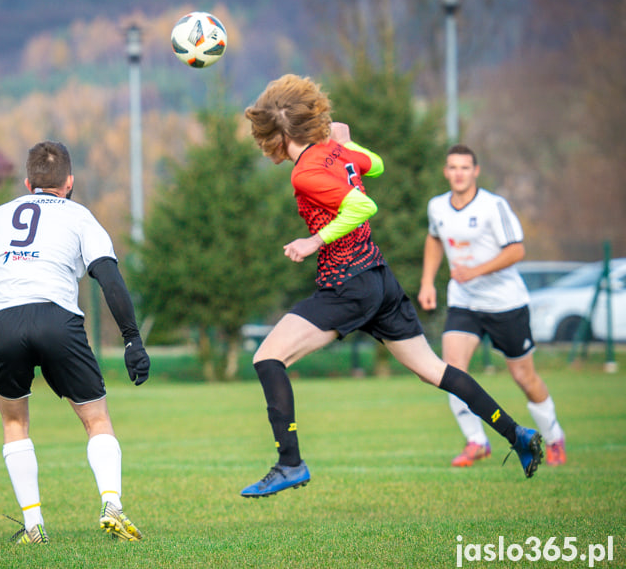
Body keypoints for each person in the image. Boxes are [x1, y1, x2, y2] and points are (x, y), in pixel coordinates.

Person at [239, 74, 544, 499]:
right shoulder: (333, 151)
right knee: (434, 370)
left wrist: (314, 240)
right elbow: (375, 165)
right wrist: (348, 146)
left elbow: (363, 204)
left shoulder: (305, 172)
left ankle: (290, 463)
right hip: (379, 279)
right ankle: (518, 434)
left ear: (275, 134)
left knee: (267, 357)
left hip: (347, 283)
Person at [0, 141, 151, 543]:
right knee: (96, 420)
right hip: (55, 317)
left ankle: (34, 525)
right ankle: (111, 503)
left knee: (14, 422)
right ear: (70, 183)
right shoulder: (80, 217)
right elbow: (107, 276)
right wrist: (132, 339)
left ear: (28, 183)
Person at [418, 144, 566, 468]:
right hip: (464, 302)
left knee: (524, 377)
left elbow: (516, 251)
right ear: (446, 172)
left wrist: (475, 271)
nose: (458, 173)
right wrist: (428, 281)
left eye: (465, 167)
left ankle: (554, 439)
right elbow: (434, 239)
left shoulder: (493, 206)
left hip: (505, 304)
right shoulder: (437, 207)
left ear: (476, 171)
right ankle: (476, 441)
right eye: (453, 167)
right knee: (451, 371)